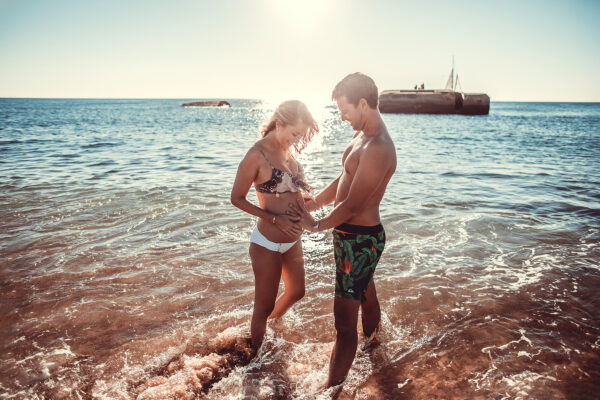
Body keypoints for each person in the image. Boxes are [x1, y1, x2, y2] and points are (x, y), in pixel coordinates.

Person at [291, 73, 397, 387]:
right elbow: (343, 180)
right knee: (367, 295)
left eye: (345, 109)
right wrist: (313, 205)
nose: (342, 116)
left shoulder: (378, 146)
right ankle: (377, 348)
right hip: (351, 236)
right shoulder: (362, 134)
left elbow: (352, 204)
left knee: (343, 325)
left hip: (361, 241)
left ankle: (330, 391)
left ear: (363, 103)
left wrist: (316, 226)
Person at [230, 100, 319, 350]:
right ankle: (255, 363)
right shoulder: (256, 155)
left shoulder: (287, 150)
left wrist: (314, 214)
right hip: (266, 243)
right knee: (263, 305)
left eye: (300, 135)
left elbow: (295, 196)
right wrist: (274, 218)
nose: (296, 140)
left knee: (297, 292)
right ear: (279, 124)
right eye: (294, 133)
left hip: (293, 241)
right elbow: (236, 198)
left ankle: (267, 327)